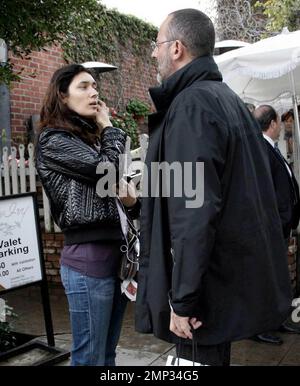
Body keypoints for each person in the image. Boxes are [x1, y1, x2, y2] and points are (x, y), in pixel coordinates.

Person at [135, 9, 292, 366]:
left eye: (157, 44)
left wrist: (183, 300)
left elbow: (193, 212)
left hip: (202, 301)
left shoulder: (191, 106)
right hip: (219, 287)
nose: (153, 53)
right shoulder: (226, 100)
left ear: (176, 48)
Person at [36, 64, 138, 366]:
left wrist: (132, 201)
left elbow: (118, 190)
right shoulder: (53, 141)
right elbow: (110, 171)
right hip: (88, 261)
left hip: (117, 260)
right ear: (62, 95)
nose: (94, 92)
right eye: (83, 86)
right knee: (89, 357)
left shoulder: (87, 141)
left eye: (95, 86)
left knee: (106, 353)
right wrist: (108, 126)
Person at [251, 105, 300, 344]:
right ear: (272, 124)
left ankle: (276, 319)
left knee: (277, 277)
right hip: (270, 227)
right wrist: (278, 219)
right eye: (279, 122)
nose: (280, 126)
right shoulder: (261, 149)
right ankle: (259, 326)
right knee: (265, 278)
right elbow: (262, 191)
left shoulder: (271, 147)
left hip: (280, 225)